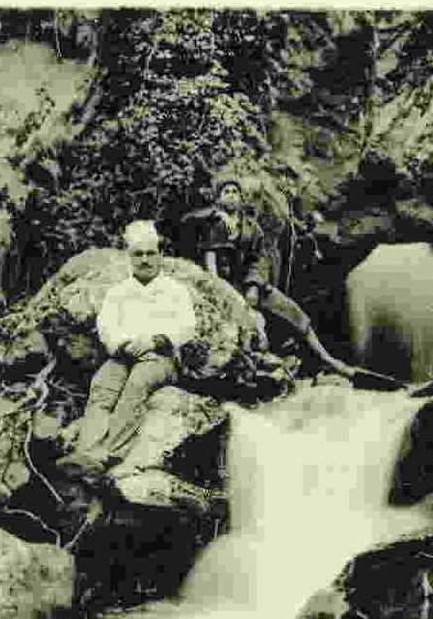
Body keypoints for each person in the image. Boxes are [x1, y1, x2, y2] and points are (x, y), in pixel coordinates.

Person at [57, 220, 196, 474]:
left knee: (136, 384)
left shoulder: (175, 291)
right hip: (124, 355)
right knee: (102, 385)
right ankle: (87, 452)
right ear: (130, 258)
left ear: (160, 256)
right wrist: (123, 344)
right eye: (138, 254)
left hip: (160, 358)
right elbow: (106, 326)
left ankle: (112, 452)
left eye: (150, 253)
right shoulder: (118, 292)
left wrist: (155, 340)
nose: (145, 259)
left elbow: (187, 326)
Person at [197, 179, 338, 373]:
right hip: (228, 288)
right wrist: (221, 290)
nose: (230, 194)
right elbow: (210, 261)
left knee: (290, 309)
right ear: (219, 199)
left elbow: (260, 258)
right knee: (247, 326)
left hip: (251, 284)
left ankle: (325, 357)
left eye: (234, 192)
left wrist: (254, 285)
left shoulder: (253, 228)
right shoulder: (213, 225)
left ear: (241, 199)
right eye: (226, 192)